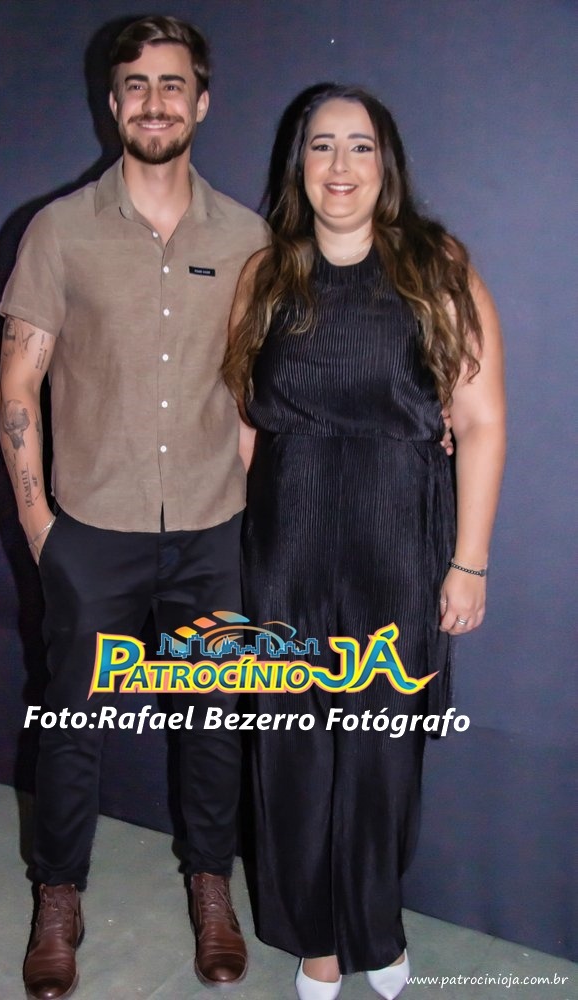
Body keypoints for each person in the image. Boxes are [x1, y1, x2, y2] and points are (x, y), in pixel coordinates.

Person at [0, 16, 268, 999]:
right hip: (93, 532)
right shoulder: (59, 230)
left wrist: (243, 505)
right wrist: (42, 527)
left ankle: (210, 884)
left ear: (202, 101)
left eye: (172, 84)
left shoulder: (247, 237)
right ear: (112, 104)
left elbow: (252, 385)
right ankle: (58, 894)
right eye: (136, 86)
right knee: (70, 723)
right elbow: (17, 384)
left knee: (214, 722)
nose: (155, 102)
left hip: (211, 530)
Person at [223, 84, 505, 1000]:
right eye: (320, 146)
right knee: (292, 749)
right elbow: (246, 423)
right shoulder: (265, 275)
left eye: (359, 146)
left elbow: (481, 420)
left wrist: (467, 561)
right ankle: (315, 941)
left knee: (382, 751)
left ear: (386, 164)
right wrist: (250, 540)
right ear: (297, 164)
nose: (339, 166)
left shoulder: (435, 265)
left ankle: (374, 930)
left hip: (396, 540)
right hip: (289, 540)